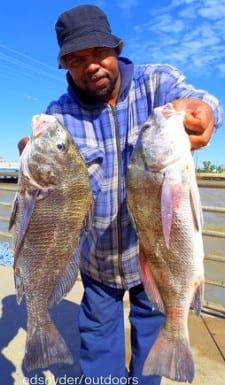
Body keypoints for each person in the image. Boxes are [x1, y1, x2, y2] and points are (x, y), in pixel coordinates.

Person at [43, 4, 223, 385]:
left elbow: (197, 99)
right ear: (66, 67)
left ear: (116, 49)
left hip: (157, 266)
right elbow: (43, 155)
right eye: (76, 59)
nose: (90, 66)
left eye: (97, 53)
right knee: (97, 359)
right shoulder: (60, 115)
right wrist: (33, 153)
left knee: (150, 361)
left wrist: (203, 110)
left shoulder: (156, 82)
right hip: (98, 265)